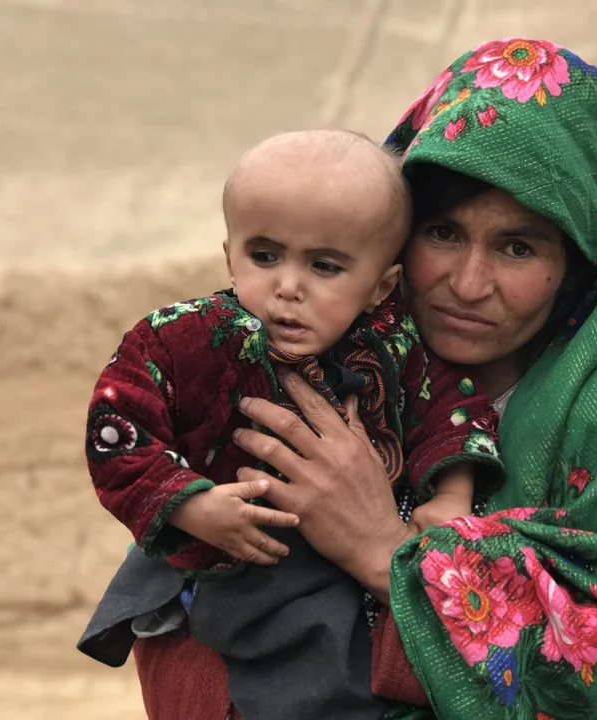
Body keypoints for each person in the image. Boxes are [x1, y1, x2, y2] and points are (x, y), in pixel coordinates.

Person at [127, 37, 597, 720]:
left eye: (519, 246)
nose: (468, 283)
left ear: (581, 266)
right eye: (443, 232)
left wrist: (386, 551)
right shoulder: (292, 368)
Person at [79, 129, 504, 720]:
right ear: (230, 255)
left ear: (382, 284)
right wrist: (188, 504)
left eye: (325, 266)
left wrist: (452, 493)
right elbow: (117, 427)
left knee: (327, 682)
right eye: (264, 255)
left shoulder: (397, 347)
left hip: (324, 576)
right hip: (214, 551)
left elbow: (452, 411)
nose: (288, 286)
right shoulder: (182, 339)